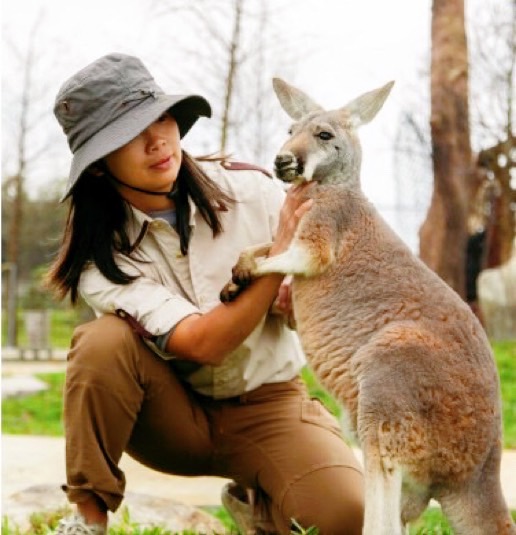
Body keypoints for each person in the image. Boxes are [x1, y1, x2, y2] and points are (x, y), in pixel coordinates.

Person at [46, 53, 364, 535]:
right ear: (96, 166)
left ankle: (258, 503)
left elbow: (333, 298)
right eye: (129, 134)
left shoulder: (255, 192)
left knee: (345, 517)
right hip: (172, 416)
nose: (157, 141)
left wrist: (298, 300)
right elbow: (203, 343)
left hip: (270, 404)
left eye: (162, 118)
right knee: (102, 343)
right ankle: (88, 518)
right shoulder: (100, 260)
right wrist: (275, 261)